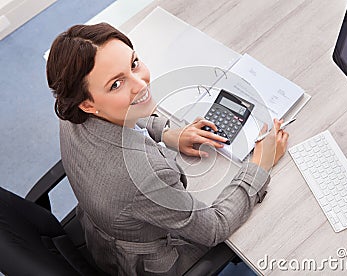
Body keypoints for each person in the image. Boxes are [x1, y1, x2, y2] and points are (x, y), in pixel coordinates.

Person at [46, 23, 289, 276]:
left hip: (102, 230)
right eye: (115, 84)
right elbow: (215, 227)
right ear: (88, 104)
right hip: (151, 262)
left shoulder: (70, 106)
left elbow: (121, 115)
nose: (140, 84)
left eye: (134, 63)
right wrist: (260, 164)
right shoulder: (146, 175)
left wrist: (168, 133)